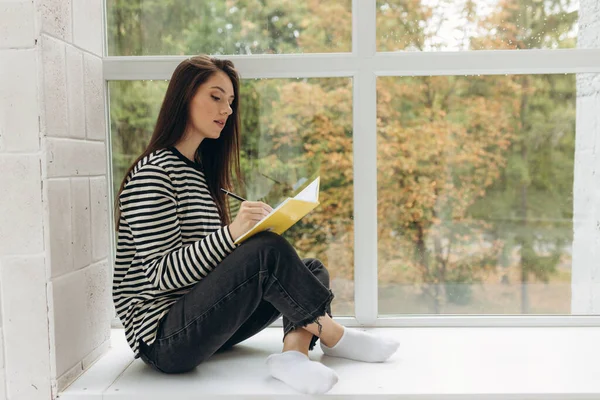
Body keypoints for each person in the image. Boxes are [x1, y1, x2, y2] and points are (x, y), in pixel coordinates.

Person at [112, 55, 399, 395]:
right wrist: (234, 235)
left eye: (231, 102)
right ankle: (334, 336)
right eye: (216, 97)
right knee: (268, 252)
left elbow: (207, 266)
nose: (227, 110)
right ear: (184, 97)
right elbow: (162, 275)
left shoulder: (197, 172)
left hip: (202, 325)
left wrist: (246, 238)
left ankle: (292, 358)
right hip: (164, 340)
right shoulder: (154, 173)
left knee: (310, 269)